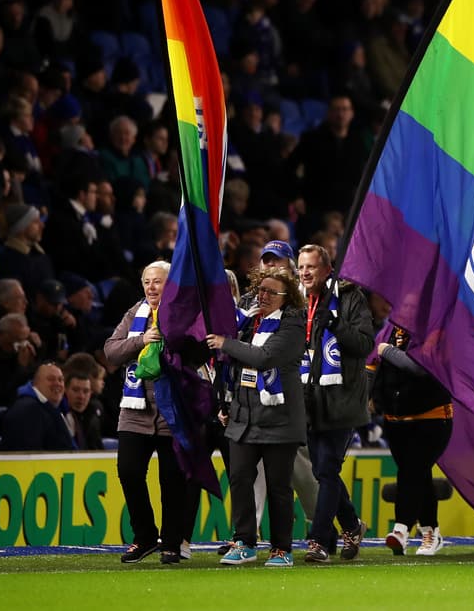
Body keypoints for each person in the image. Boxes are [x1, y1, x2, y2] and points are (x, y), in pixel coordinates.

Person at [207, 266, 307, 568]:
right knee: (239, 479)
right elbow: (233, 367)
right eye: (261, 290)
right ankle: (244, 542)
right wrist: (226, 402)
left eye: (271, 292)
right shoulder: (248, 322)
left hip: (279, 420)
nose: (263, 296)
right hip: (244, 416)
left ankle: (281, 548)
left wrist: (226, 343)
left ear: (286, 297)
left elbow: (265, 358)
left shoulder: (292, 325)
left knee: (279, 487)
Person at [103, 260, 188, 565]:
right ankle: (145, 536)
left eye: (158, 281)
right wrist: (142, 340)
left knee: (172, 480)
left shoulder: (184, 313)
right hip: (135, 410)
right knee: (128, 471)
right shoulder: (134, 313)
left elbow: (199, 351)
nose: (151, 287)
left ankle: (172, 542)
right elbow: (111, 351)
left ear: (171, 284)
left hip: (172, 410)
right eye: (147, 282)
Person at [295, 243, 372, 563]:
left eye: (311, 266)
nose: (304, 272)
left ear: (328, 269)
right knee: (322, 469)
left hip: (342, 399)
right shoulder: (298, 300)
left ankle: (319, 541)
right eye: (301, 267)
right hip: (309, 400)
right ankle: (352, 525)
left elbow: (364, 344)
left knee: (327, 469)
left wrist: (336, 324)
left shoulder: (350, 297)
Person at [370, 291, 452, 556]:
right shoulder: (391, 331)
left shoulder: (436, 334)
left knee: (412, 470)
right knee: (418, 474)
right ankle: (431, 531)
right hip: (396, 419)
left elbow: (420, 369)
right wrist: (375, 397)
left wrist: (387, 351)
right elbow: (377, 368)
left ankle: (401, 529)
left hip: (432, 418)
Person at [0, 361, 73, 450]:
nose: (57, 383)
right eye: (51, 379)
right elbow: (29, 453)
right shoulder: (27, 411)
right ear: (36, 384)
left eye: (60, 380)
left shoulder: (60, 409)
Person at [62, 365, 103, 449]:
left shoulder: (93, 415)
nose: (81, 396)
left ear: (91, 393)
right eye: (75, 390)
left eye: (86, 391)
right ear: (65, 390)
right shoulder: (60, 416)